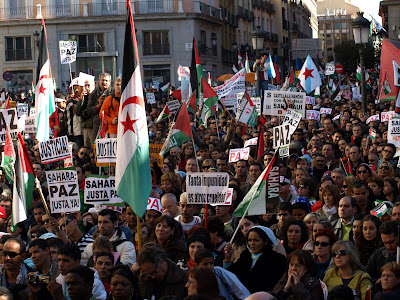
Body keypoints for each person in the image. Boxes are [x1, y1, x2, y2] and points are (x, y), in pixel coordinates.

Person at [224, 226, 287, 293]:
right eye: (249, 240)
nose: (252, 244)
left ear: (265, 241)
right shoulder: (245, 256)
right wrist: (227, 258)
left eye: (256, 240)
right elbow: (230, 276)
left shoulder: (277, 259)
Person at [86, 72, 112, 146]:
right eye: (102, 80)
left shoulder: (113, 92)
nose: (104, 82)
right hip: (97, 125)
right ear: (99, 81)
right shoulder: (94, 94)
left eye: (106, 81)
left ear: (110, 82)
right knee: (96, 146)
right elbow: (89, 110)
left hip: (110, 124)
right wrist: (98, 105)